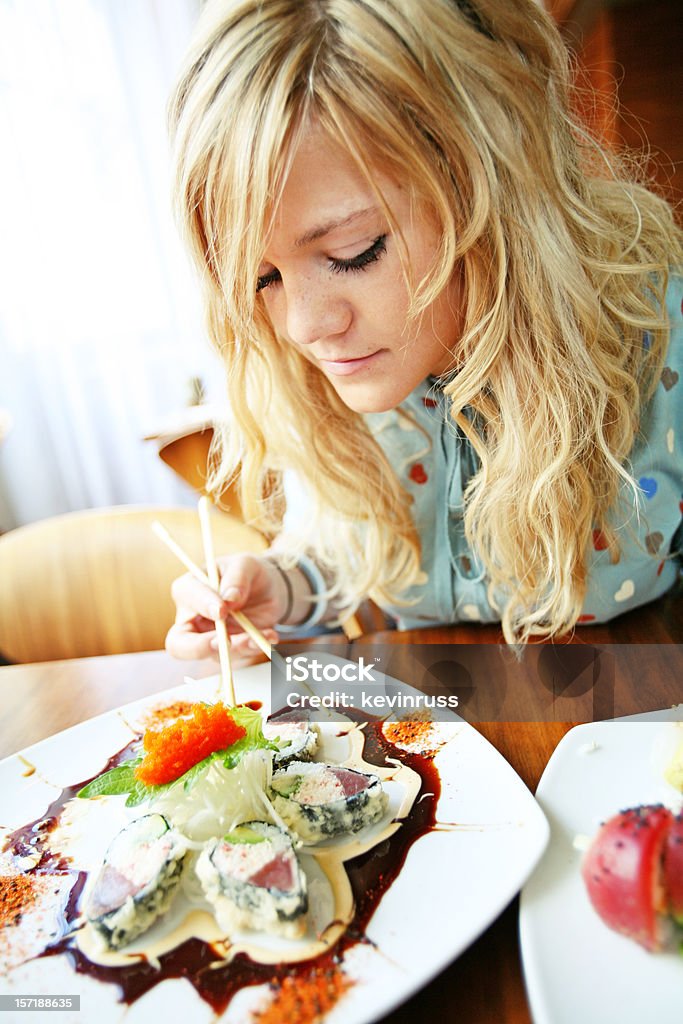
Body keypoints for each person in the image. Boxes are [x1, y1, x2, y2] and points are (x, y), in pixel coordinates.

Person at [165, 0, 683, 661]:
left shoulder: (658, 327)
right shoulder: (319, 376)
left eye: (353, 252)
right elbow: (349, 557)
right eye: (261, 278)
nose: (303, 325)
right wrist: (278, 586)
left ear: (490, 180)